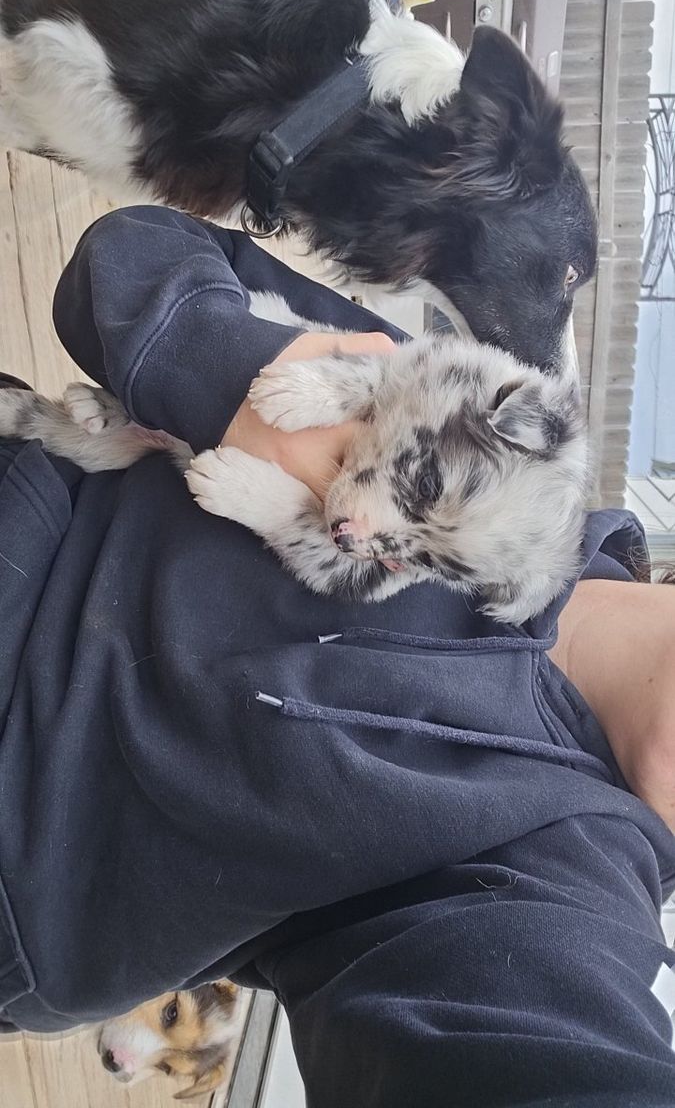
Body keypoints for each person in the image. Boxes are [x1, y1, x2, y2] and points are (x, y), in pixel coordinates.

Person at [0, 205, 674, 1107]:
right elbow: (128, 254)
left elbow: (535, 1059)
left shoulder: (556, 882)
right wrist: (229, 380)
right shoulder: (491, 426)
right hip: (30, 485)